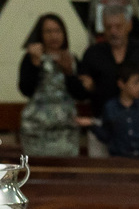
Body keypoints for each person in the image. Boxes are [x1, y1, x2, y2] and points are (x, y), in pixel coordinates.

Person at [17, 13, 87, 156]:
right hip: (36, 129)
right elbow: (26, 90)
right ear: (40, 35)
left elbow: (81, 94)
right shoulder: (30, 58)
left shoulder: (72, 59)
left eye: (57, 31)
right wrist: (35, 64)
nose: (53, 36)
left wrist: (69, 72)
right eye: (48, 31)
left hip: (65, 130)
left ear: (64, 34)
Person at [79, 6, 139, 115]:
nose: (113, 31)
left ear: (129, 25)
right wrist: (86, 86)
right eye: (108, 27)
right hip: (104, 122)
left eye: (118, 26)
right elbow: (81, 93)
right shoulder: (92, 53)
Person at [76, 62, 139, 158]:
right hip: (120, 159)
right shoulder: (110, 107)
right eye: (135, 82)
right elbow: (107, 135)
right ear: (121, 84)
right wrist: (91, 124)